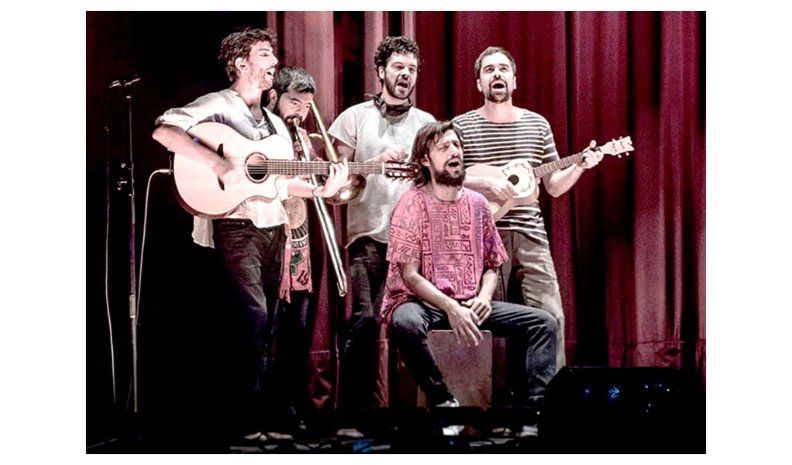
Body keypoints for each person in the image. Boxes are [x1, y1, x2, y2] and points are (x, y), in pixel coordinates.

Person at [152, 28, 348, 443]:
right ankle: (240, 422)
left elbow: (280, 182)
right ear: (241, 63)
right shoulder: (218, 104)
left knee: (270, 324)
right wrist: (214, 162)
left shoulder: (275, 123)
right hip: (237, 225)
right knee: (252, 319)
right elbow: (165, 131)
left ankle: (260, 419)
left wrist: (323, 188)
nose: (274, 62)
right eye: (264, 54)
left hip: (274, 227)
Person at [383, 121, 557, 437]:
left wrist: (484, 297)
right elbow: (409, 275)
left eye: (457, 146)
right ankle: (444, 402)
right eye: (444, 147)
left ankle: (533, 416)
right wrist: (451, 307)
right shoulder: (411, 203)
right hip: (425, 303)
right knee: (404, 322)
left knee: (544, 324)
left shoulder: (478, 204)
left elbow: (493, 265)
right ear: (425, 159)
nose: (455, 152)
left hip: (471, 302)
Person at [452, 46, 603, 370]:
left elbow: (553, 186)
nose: (497, 74)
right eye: (489, 70)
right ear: (478, 83)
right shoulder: (461, 127)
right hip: (480, 238)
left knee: (552, 317)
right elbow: (447, 177)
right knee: (479, 321)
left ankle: (551, 396)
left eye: (503, 69)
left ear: (515, 80)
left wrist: (579, 166)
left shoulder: (538, 125)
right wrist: (486, 184)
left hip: (531, 236)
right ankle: (480, 399)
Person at [327, 35, 435, 435]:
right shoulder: (353, 117)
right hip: (368, 240)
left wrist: (422, 173)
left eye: (412, 69)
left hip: (416, 245)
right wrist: (372, 164)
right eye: (398, 67)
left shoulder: (426, 123)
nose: (406, 75)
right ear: (380, 71)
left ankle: (413, 421)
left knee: (412, 327)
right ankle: (352, 420)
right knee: (365, 324)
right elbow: (333, 185)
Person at [263, 66, 322, 439]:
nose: (300, 111)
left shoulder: (305, 140)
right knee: (267, 328)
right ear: (274, 97)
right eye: (294, 102)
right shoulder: (261, 134)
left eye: (307, 105)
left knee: (296, 331)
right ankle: (264, 412)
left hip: (299, 245)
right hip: (267, 239)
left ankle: (290, 408)